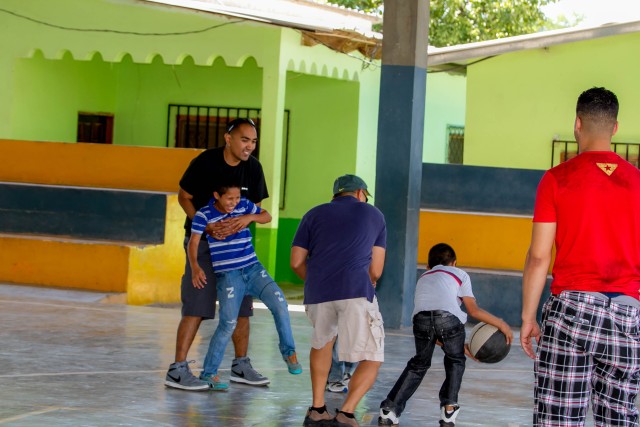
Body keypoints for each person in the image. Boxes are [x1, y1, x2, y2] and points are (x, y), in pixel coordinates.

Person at [521, 87, 640, 426]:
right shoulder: (638, 182)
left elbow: (540, 256)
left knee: (559, 419)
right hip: (628, 315)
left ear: (577, 124)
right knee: (619, 420)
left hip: (573, 311)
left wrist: (529, 317)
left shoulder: (557, 179)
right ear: (615, 129)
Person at [165, 118, 270, 391]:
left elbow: (257, 209)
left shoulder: (254, 169)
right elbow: (184, 196)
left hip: (237, 251)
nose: (249, 146)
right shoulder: (205, 162)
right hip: (203, 246)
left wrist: (246, 219)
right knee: (197, 305)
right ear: (228, 138)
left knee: (241, 308)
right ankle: (177, 370)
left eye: (254, 141)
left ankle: (240, 366)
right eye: (245, 140)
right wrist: (205, 224)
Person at [378, 243, 513, 427]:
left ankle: (389, 410)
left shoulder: (424, 277)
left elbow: (431, 321)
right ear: (454, 263)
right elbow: (473, 310)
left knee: (419, 364)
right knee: (455, 361)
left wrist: (457, 345)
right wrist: (501, 324)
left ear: (428, 266)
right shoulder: (459, 274)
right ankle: (449, 409)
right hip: (449, 320)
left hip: (420, 321)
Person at [291, 174, 387, 427]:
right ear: (359, 193)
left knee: (322, 344)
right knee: (373, 356)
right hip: (355, 291)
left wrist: (315, 282)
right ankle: (345, 413)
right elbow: (376, 270)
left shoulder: (313, 214)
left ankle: (317, 408)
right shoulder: (374, 214)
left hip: (318, 294)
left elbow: (296, 262)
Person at [190, 181, 302, 390]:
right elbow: (194, 242)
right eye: (229, 199)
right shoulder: (204, 215)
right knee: (228, 323)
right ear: (217, 195)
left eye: (237, 198)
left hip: (253, 269)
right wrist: (195, 267)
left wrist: (249, 217)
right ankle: (209, 373)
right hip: (229, 275)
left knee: (280, 303)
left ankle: (289, 353)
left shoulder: (244, 206)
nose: (234, 203)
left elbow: (266, 216)